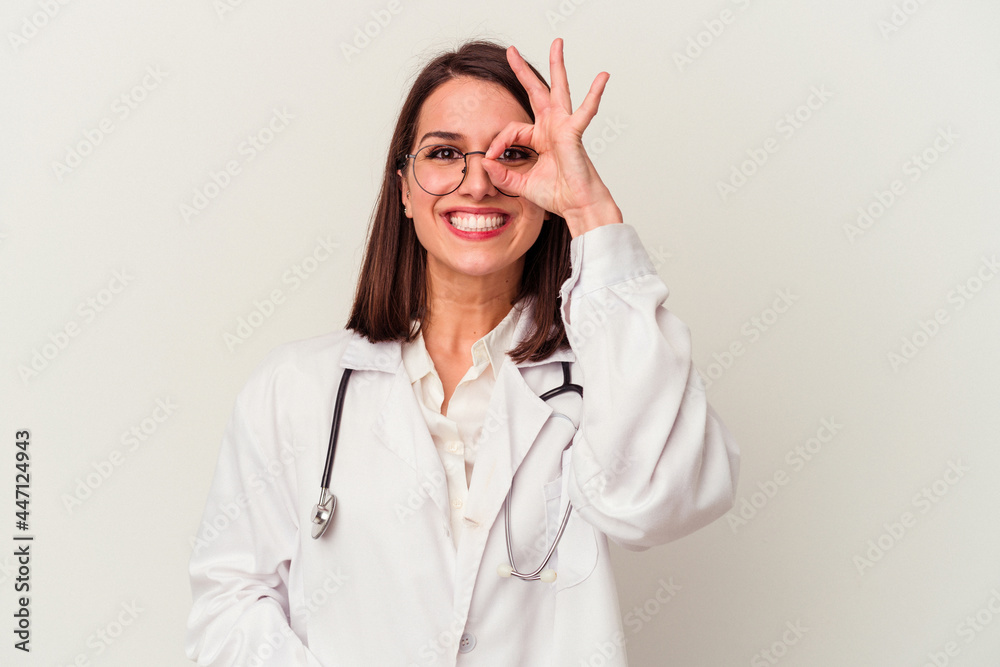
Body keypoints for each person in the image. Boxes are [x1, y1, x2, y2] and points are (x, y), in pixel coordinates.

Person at [185, 38, 740, 666]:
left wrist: (591, 213)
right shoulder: (297, 388)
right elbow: (229, 602)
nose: (478, 183)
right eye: (445, 153)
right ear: (403, 189)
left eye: (514, 155)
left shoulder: (608, 376)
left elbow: (660, 503)